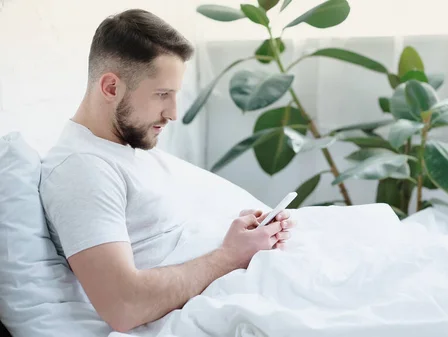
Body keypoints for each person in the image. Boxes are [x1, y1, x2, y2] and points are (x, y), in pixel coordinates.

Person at [39, 9, 296, 333]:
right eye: (162, 95)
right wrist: (231, 255)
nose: (173, 113)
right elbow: (123, 304)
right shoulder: (81, 171)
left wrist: (242, 234)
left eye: (175, 95)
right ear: (110, 87)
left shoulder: (124, 146)